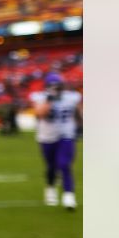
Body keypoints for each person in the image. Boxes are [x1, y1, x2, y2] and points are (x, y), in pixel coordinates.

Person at [31, 73, 82, 210]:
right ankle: (50, 187)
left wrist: (81, 126)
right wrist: (49, 100)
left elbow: (77, 112)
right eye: (52, 86)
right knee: (51, 167)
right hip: (47, 137)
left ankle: (69, 196)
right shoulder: (40, 97)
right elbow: (39, 114)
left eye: (57, 86)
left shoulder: (72, 97)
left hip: (66, 135)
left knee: (64, 164)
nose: (55, 88)